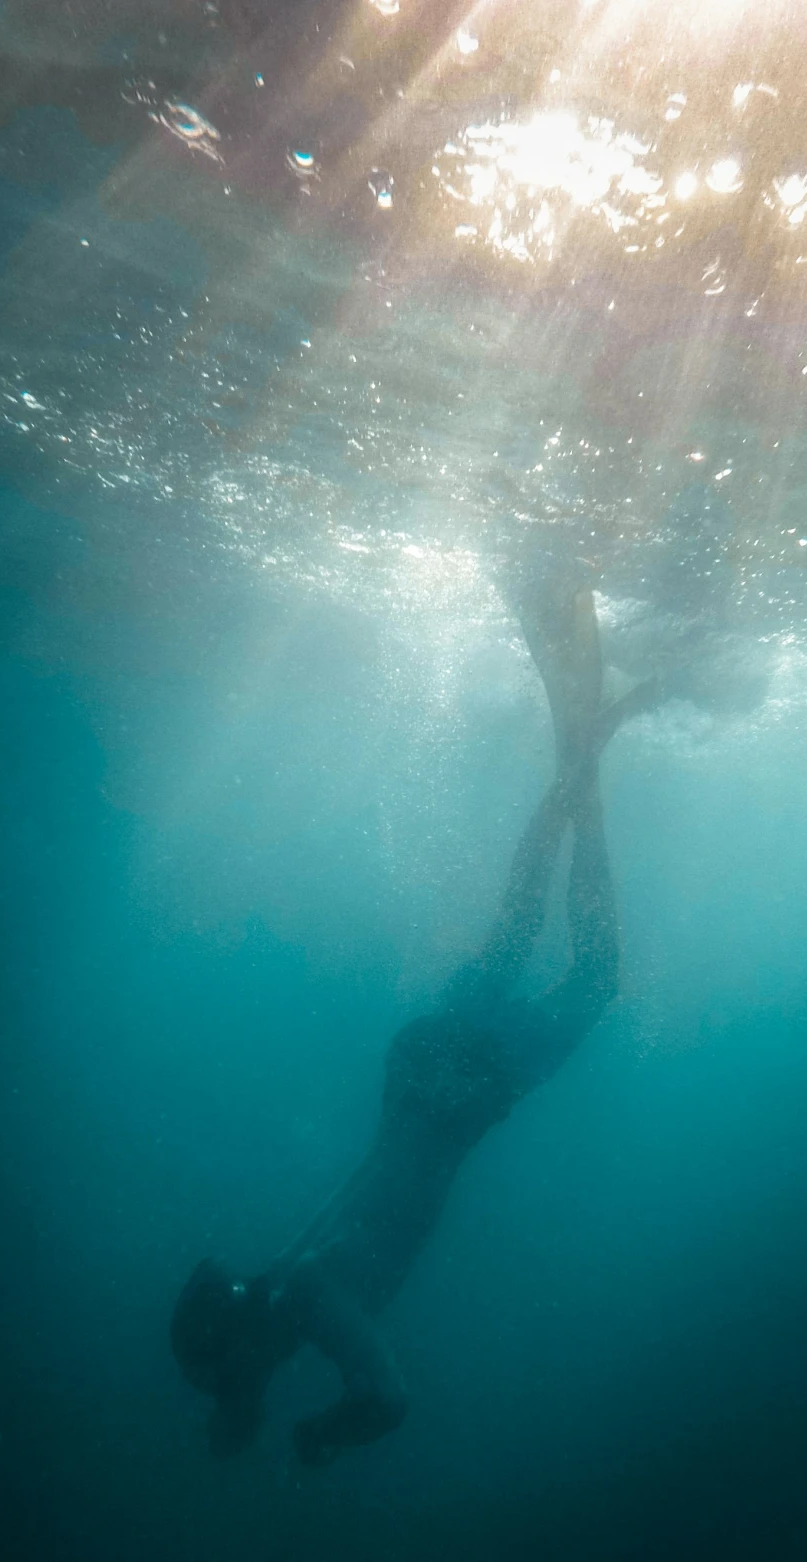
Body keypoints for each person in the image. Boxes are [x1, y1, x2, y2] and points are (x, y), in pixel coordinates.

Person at [171, 570, 664, 1466]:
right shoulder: (278, 1293)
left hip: (447, 1103)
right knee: (517, 930)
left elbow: (388, 1400)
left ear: (239, 1340)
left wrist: (322, 1433)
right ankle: (575, 768)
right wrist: (242, 1407)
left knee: (592, 977)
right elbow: (248, 1363)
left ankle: (583, 774)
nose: (232, 1380)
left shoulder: (307, 1297)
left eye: (226, 1374)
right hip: (417, 1080)